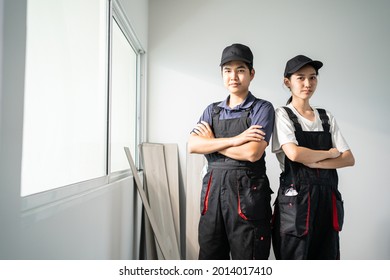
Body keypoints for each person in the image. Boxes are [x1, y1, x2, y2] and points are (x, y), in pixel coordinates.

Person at [188, 43, 275, 260]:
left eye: (240, 70)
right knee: (210, 258)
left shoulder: (262, 109)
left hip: (248, 197)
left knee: (249, 260)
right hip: (213, 195)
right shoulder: (212, 110)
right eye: (227, 70)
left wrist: (213, 143)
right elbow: (193, 145)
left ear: (251, 74)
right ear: (221, 74)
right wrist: (237, 140)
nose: (233, 76)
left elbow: (252, 153)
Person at [271, 54, 355, 260]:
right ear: (287, 82)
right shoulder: (282, 114)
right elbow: (294, 153)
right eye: (300, 77)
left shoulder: (326, 117)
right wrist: (329, 154)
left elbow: (348, 159)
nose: (308, 83)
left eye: (313, 77)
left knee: (327, 258)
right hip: (296, 201)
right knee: (295, 259)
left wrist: (312, 160)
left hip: (327, 199)